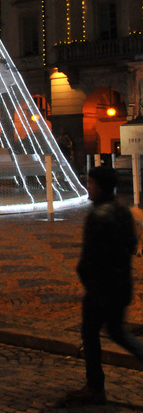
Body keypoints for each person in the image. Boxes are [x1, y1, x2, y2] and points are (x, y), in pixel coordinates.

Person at [64, 165, 143, 406]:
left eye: (90, 183)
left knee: (91, 333)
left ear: (99, 186)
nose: (88, 187)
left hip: (101, 287)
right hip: (121, 284)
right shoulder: (122, 210)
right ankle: (94, 386)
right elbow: (131, 245)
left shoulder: (98, 215)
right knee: (117, 332)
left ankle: (95, 387)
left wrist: (87, 277)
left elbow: (91, 256)